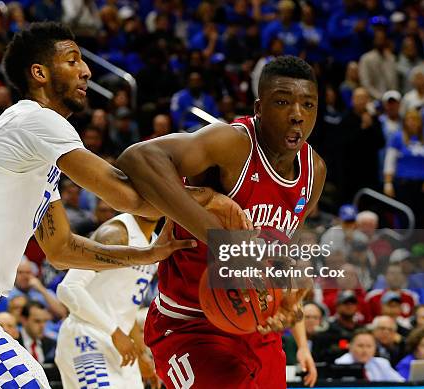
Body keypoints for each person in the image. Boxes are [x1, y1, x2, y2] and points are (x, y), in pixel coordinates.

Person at [0, 22, 243, 389]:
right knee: (29, 382)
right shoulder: (36, 119)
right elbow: (128, 197)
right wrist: (207, 197)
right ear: (40, 73)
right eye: (72, 60)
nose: (86, 70)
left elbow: (61, 249)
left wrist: (144, 255)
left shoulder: (33, 156)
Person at [117, 56, 326, 388]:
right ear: (260, 107)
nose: (297, 114)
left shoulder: (314, 172)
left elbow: (285, 248)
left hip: (255, 323)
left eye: (308, 104)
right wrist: (219, 233)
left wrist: (292, 293)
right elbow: (137, 158)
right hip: (189, 322)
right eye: (283, 102)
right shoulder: (231, 143)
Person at [55, 213, 161, 389]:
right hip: (87, 337)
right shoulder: (115, 234)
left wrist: (142, 354)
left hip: (122, 345)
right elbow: (68, 289)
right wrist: (115, 332)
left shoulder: (155, 242)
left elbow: (126, 308)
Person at [335, 329, 404, 382]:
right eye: (360, 346)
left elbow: (401, 383)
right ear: (350, 347)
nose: (365, 350)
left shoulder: (382, 363)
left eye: (369, 346)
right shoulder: (341, 364)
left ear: (375, 348)